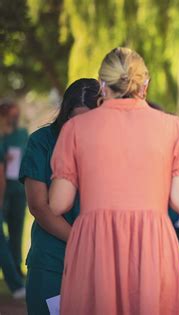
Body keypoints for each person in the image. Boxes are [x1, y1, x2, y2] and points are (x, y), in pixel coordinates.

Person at [48, 47, 179, 314]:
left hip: (95, 245)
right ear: (145, 84)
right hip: (152, 245)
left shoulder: (74, 129)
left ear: (102, 86)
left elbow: (58, 203)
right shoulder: (172, 126)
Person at [19, 78, 99, 315]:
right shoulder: (42, 142)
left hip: (96, 264)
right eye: (76, 120)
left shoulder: (108, 145)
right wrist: (81, 239)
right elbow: (38, 205)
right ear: (65, 114)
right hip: (52, 261)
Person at [0, 103, 25, 299]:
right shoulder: (2, 135)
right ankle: (15, 282)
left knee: (15, 232)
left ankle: (16, 271)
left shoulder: (22, 133)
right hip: (5, 187)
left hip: (17, 187)